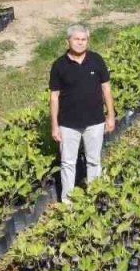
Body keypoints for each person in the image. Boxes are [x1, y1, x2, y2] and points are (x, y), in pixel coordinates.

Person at [49, 24, 116, 203]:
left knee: (94, 161)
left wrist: (110, 115)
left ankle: (95, 197)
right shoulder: (59, 65)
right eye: (76, 39)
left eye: (83, 39)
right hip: (68, 124)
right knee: (68, 163)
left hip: (94, 121)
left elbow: (106, 90)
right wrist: (54, 125)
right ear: (68, 40)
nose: (80, 42)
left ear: (88, 41)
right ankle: (68, 203)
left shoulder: (96, 60)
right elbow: (54, 97)